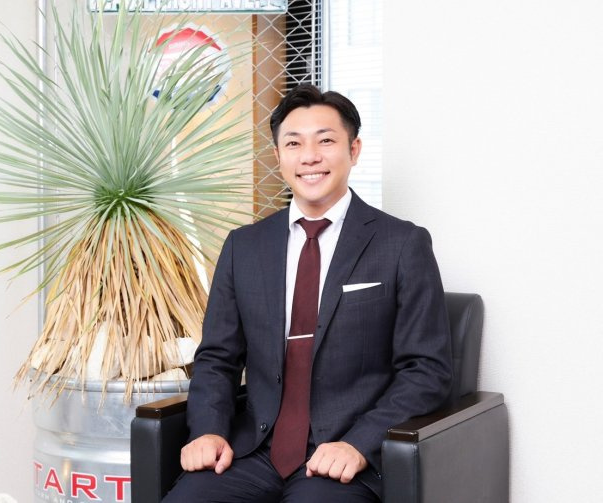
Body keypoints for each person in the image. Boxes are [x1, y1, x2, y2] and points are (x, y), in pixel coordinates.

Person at [163, 84, 453, 503]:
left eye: (326, 141)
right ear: (278, 156)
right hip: (254, 451)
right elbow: (218, 358)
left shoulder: (402, 244)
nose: (310, 156)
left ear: (354, 150)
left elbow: (426, 370)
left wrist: (359, 443)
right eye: (294, 143)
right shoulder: (244, 246)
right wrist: (208, 431)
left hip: (344, 457)